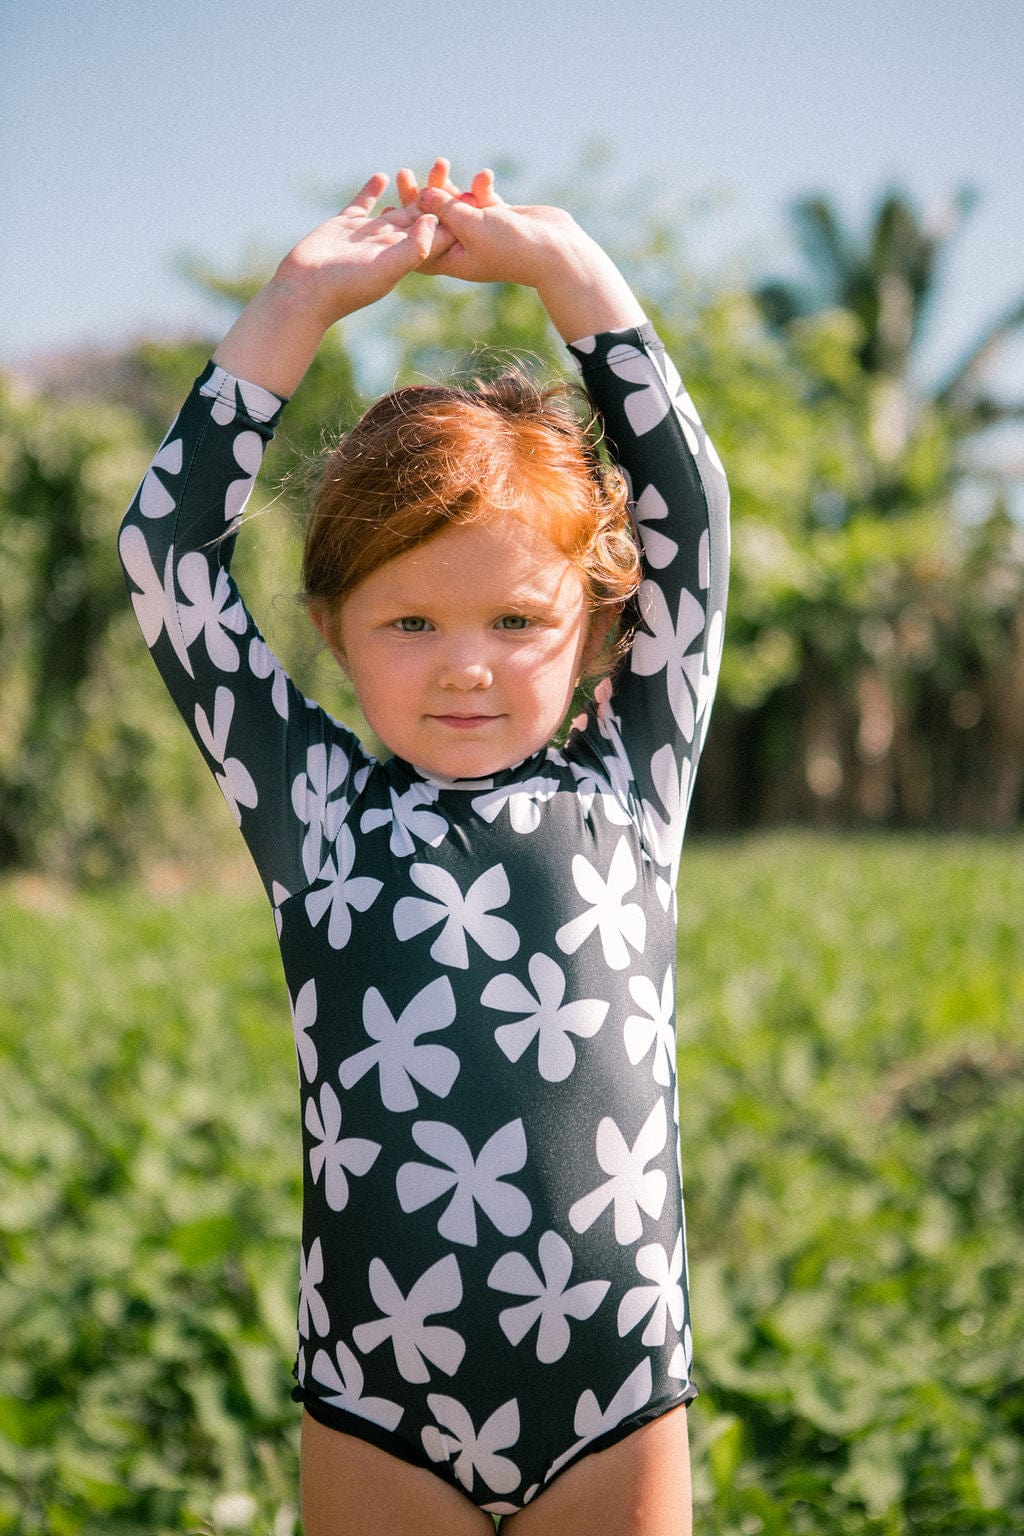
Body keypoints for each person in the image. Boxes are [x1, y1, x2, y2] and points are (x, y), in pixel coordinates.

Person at [118, 159, 729, 1536]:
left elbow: (689, 520)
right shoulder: (316, 810)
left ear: (596, 627)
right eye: (412, 625)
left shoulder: (632, 783)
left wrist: (572, 273)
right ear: (332, 630)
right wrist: (299, 299)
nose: (469, 668)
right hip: (377, 1400)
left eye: (517, 621)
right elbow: (169, 555)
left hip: (617, 1397)